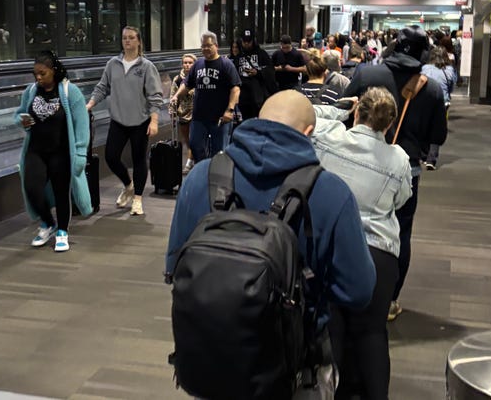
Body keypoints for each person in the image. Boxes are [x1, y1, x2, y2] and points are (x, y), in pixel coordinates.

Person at [166, 90, 376, 397]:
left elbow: (174, 267)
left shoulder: (201, 176)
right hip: (292, 371)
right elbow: (358, 291)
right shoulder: (331, 191)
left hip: (211, 360)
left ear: (257, 121)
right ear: (309, 133)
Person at [311, 88, 412, 400]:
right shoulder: (399, 159)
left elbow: (306, 111)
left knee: (333, 328)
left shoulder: (329, 137)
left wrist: (342, 108)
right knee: (372, 332)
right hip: (380, 252)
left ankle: (333, 392)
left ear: (358, 112)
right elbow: (402, 199)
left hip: (334, 245)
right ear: (389, 123)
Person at [344, 25, 447, 320]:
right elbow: (438, 135)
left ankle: (349, 288)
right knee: (399, 233)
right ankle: (388, 300)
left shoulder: (366, 75)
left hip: (359, 162)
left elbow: (343, 109)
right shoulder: (432, 88)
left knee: (353, 224)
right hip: (406, 170)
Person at [16, 51, 92, 252]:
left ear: (54, 71)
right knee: (32, 188)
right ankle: (48, 223)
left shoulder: (70, 92)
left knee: (61, 192)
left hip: (61, 151)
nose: (38, 78)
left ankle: (62, 231)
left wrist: (81, 153)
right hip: (36, 150)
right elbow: (19, 114)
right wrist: (21, 120)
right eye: (36, 74)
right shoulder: (31, 91)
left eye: (43, 74)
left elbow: (82, 124)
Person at [86, 26, 164, 216]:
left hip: (140, 122)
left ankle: (137, 199)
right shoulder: (113, 64)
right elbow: (102, 87)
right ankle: (128, 185)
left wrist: (154, 121)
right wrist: (89, 105)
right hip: (118, 121)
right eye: (124, 38)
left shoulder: (146, 66)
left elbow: (155, 96)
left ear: (138, 41)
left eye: (131, 38)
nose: (127, 41)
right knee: (111, 157)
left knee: (139, 160)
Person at [170, 32, 240, 163]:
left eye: (208, 45)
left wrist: (230, 110)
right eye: (203, 46)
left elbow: (235, 89)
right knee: (195, 145)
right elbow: (187, 84)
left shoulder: (226, 64)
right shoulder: (198, 64)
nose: (205, 49)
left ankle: (215, 177)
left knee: (218, 152)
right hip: (199, 116)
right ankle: (203, 169)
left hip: (220, 118)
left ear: (216, 46)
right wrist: (176, 96)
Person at [421, 46, 456, 170]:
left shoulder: (425, 68)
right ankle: (432, 159)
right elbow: (452, 86)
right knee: (437, 128)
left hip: (425, 100)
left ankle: (424, 155)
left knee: (425, 126)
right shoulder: (450, 70)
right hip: (443, 102)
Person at [233, 31, 276, 120]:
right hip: (244, 95)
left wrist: (258, 72)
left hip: (259, 94)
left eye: (249, 41)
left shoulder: (261, 54)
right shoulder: (239, 56)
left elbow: (270, 71)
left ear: (253, 41)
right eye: (244, 41)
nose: (246, 44)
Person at [169, 53, 196, 174]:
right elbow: (173, 95)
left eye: (190, 63)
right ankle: (192, 158)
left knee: (194, 138)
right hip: (183, 113)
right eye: (185, 62)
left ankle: (190, 162)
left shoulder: (198, 77)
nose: (187, 65)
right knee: (187, 139)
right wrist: (172, 110)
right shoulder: (177, 79)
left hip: (196, 112)